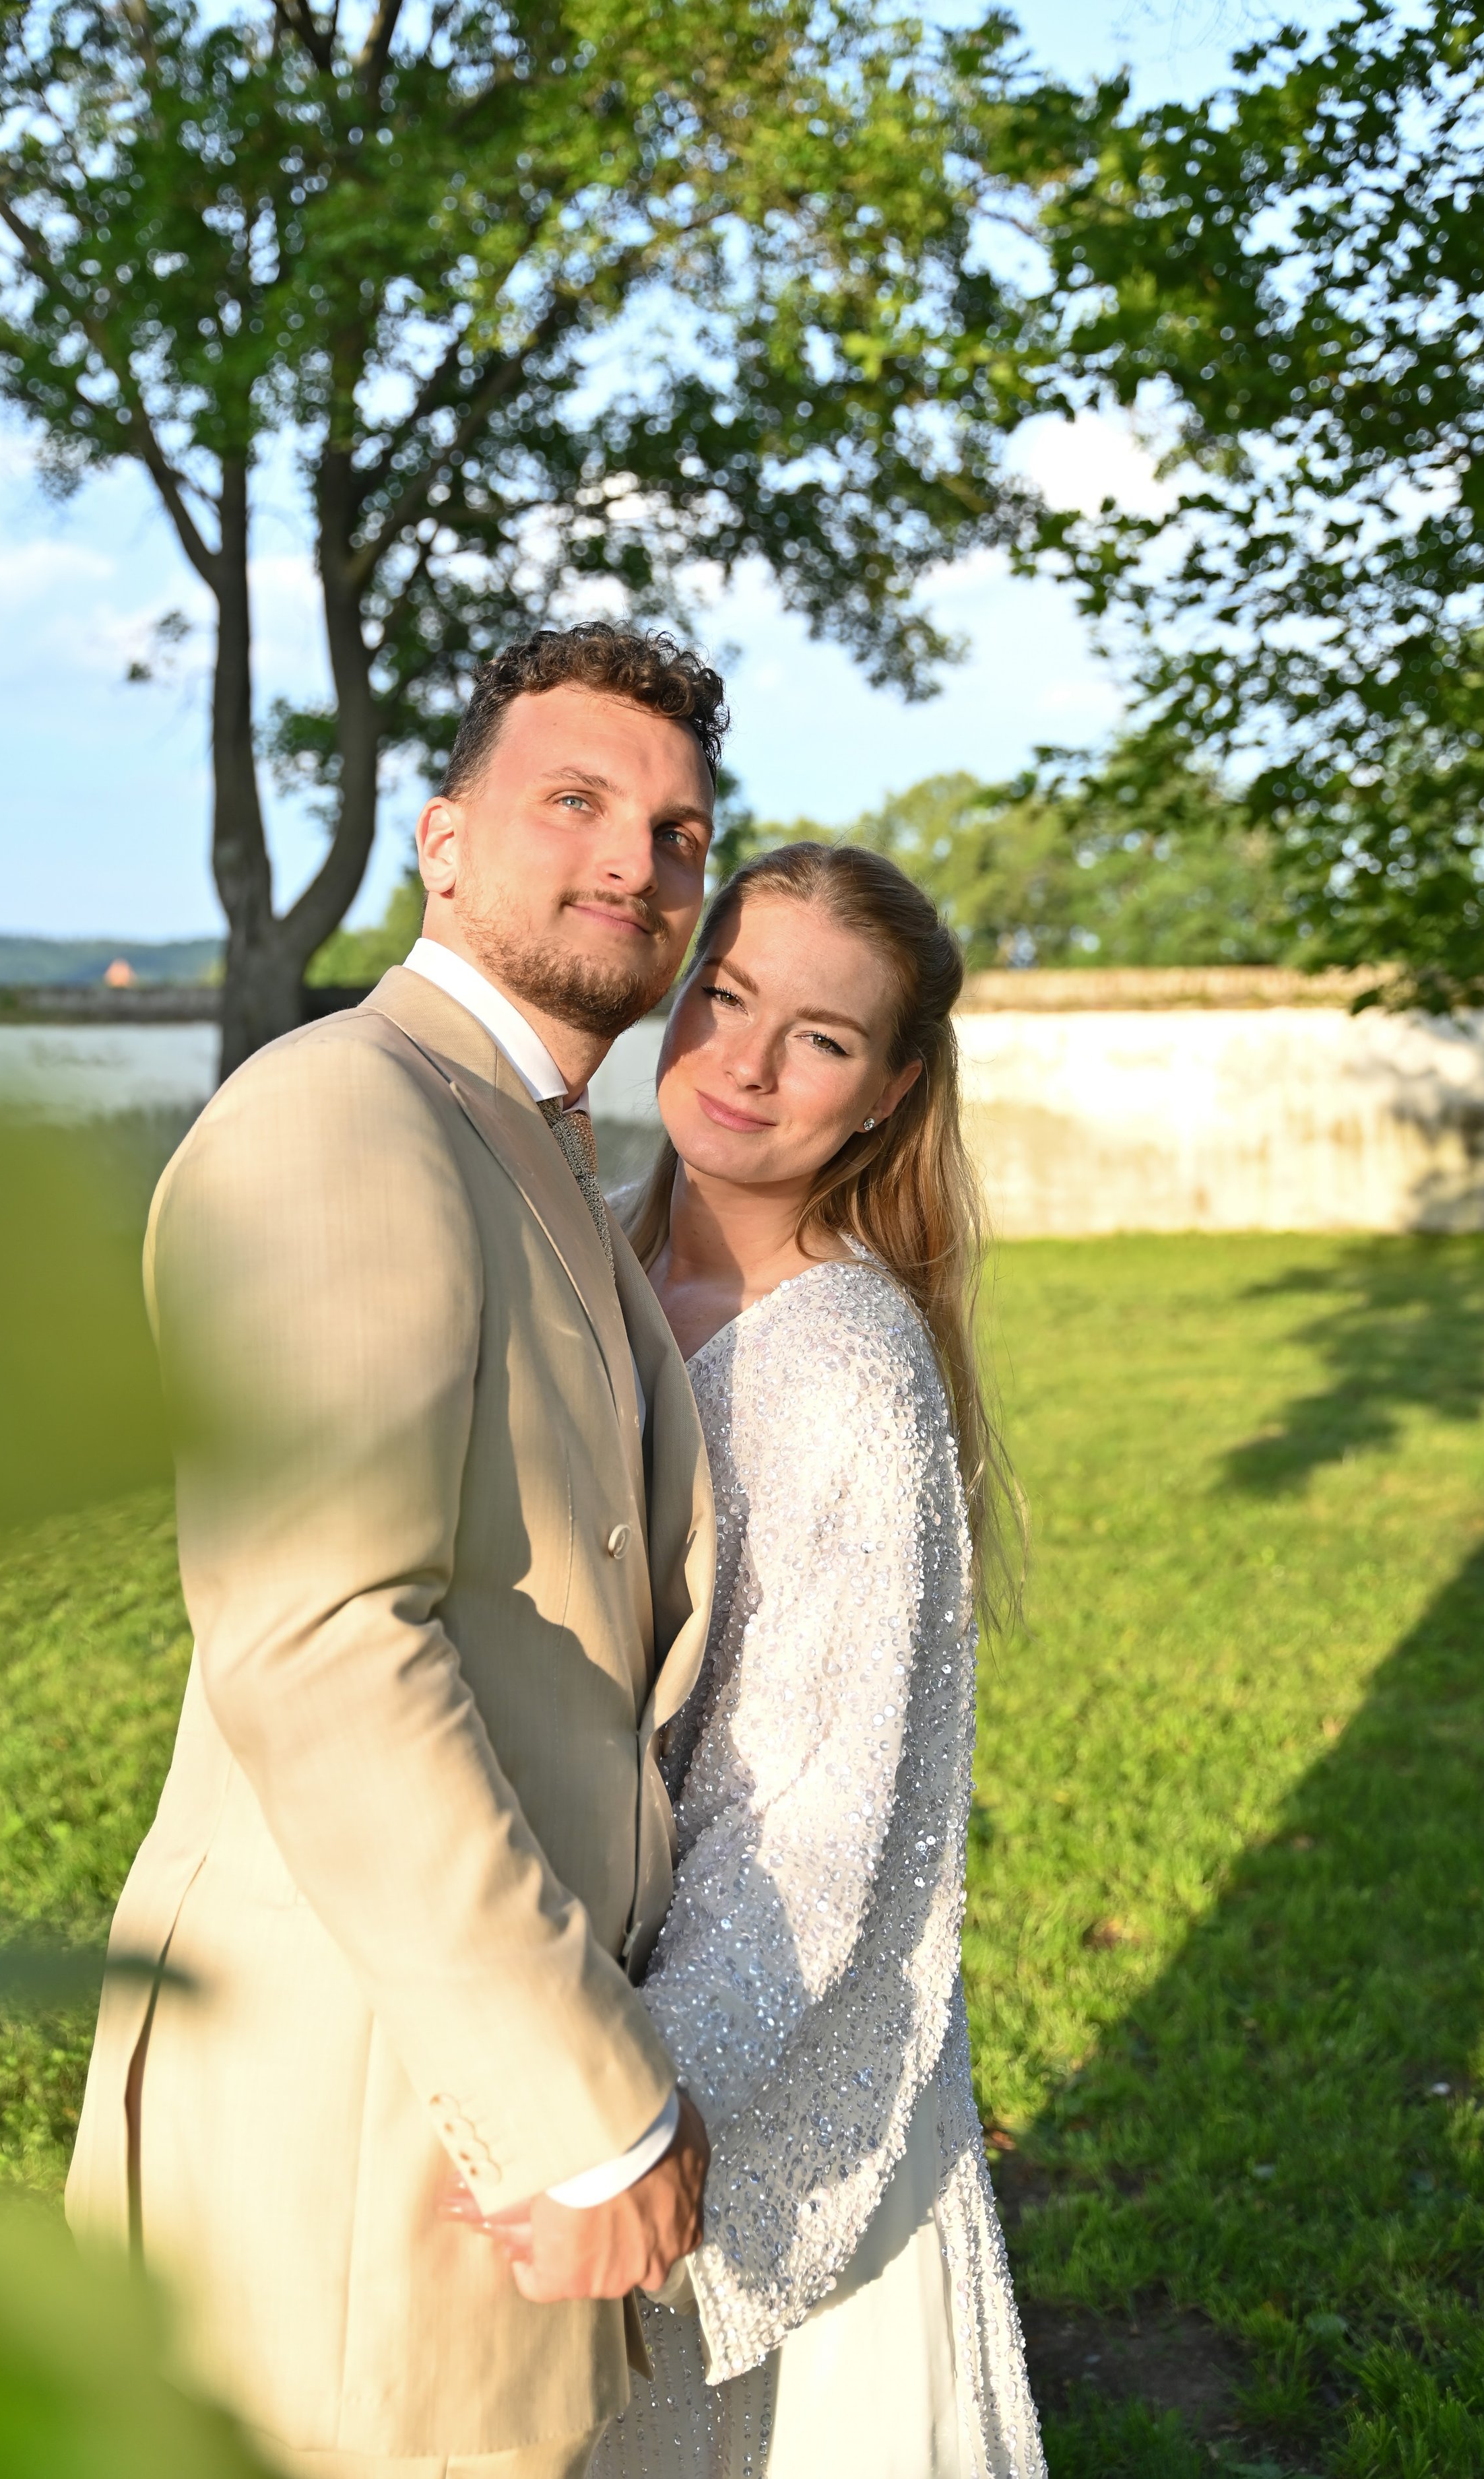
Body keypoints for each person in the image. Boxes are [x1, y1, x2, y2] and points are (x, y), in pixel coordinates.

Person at [66, 622, 729, 2479]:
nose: (635, 861)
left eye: (679, 833)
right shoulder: (347, 1115)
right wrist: (580, 2110)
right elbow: (321, 1635)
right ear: (442, 843)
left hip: (458, 2073)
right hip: (362, 2094)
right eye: (576, 802)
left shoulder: (526, 1147)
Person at [595, 842, 1045, 2476]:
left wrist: (631, 2121)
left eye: (822, 1039)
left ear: (885, 1092)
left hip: (740, 2046)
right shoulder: (588, 1259)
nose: (746, 1063)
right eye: (725, 996)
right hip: (575, 1989)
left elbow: (813, 1820)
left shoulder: (841, 1364)